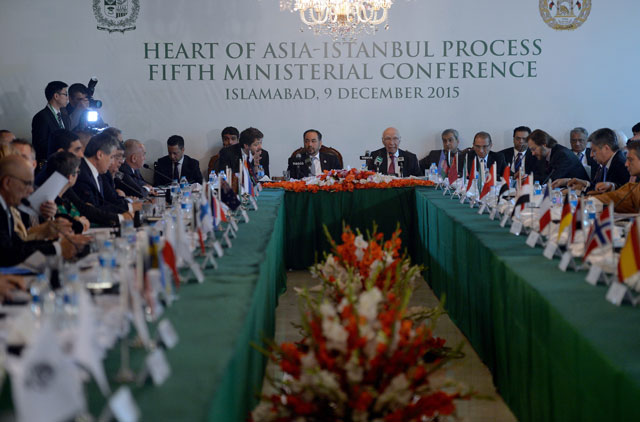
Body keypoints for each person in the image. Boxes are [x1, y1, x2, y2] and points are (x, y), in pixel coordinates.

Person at [0, 155, 88, 266]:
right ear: (7, 183)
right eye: (27, 184)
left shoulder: (7, 207)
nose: (31, 190)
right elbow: (7, 253)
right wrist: (57, 248)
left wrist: (56, 242)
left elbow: (17, 245)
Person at [46, 151, 127, 227]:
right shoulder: (53, 203)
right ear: (70, 177)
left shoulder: (64, 194)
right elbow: (68, 225)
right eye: (77, 172)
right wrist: (79, 222)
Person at [73, 131, 131, 214]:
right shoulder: (82, 174)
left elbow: (106, 203)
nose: (112, 162)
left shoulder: (99, 174)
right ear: (99, 155)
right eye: (112, 157)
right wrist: (129, 208)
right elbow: (92, 210)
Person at [558, 128, 630, 193]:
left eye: (594, 151)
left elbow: (616, 194)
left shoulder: (621, 164)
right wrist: (585, 183)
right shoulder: (606, 163)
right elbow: (599, 186)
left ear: (606, 148)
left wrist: (582, 190)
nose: (591, 155)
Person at [31, 81, 71, 168]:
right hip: (50, 165)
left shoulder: (65, 116)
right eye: (65, 94)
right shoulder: (41, 117)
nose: (67, 98)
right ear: (56, 96)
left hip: (65, 163)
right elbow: (40, 144)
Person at [593, 140, 640, 213]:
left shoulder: (619, 162)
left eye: (630, 160)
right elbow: (618, 196)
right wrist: (588, 202)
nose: (626, 164)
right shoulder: (635, 184)